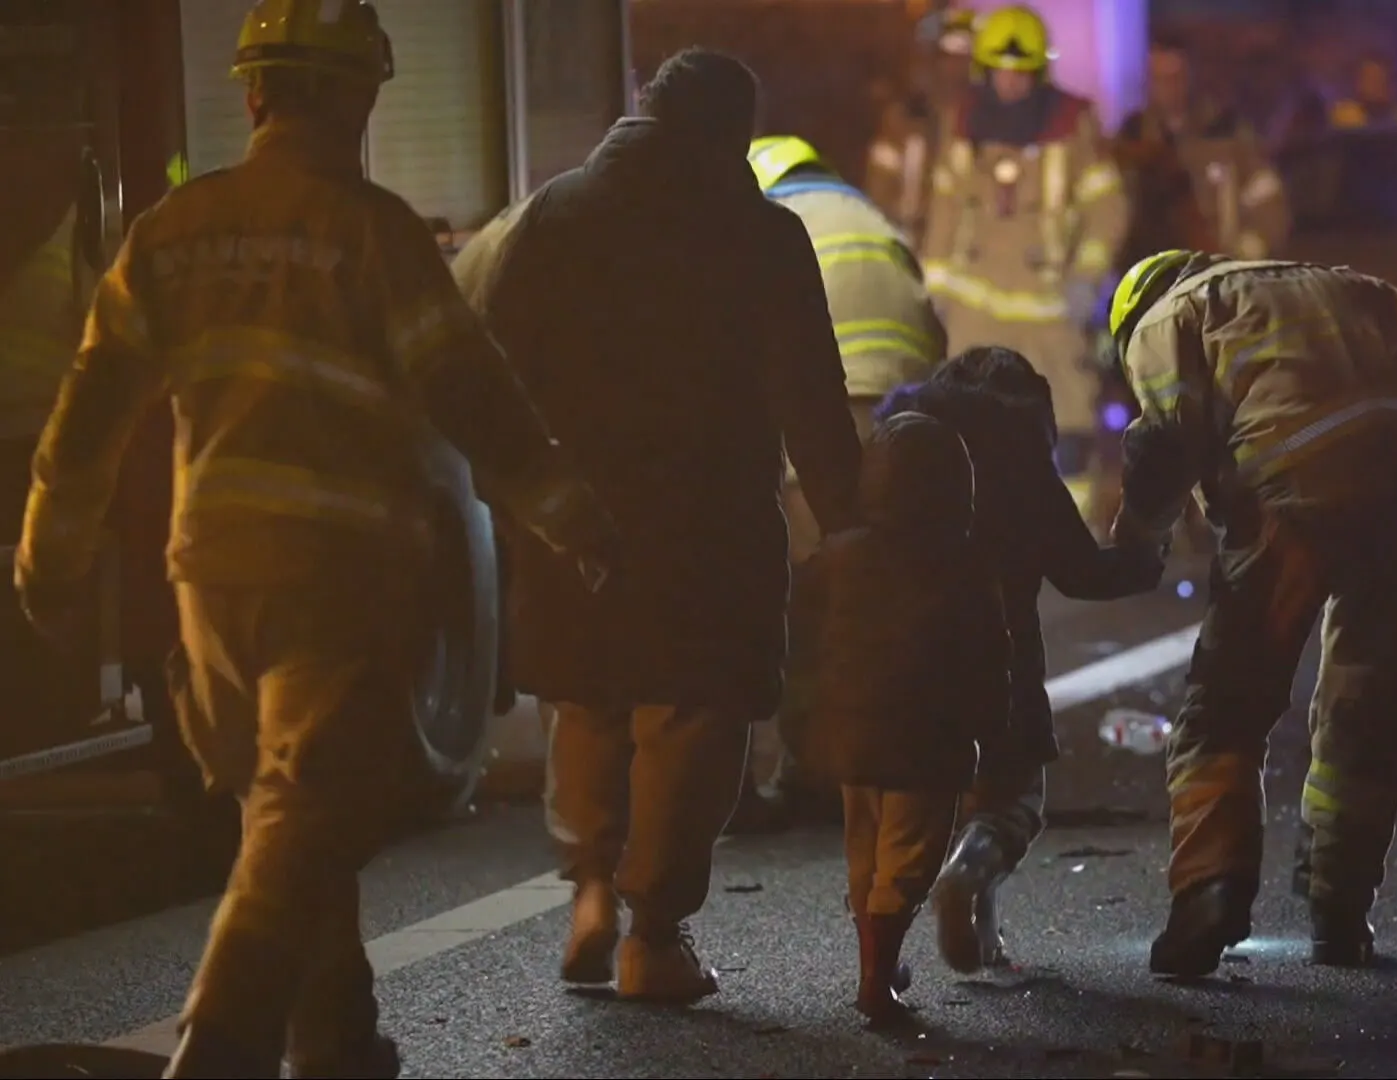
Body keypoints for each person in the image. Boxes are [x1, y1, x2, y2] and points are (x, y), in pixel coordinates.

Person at [12, 2, 618, 1075]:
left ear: (253, 93)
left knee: (286, 807)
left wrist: (46, 567)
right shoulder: (373, 233)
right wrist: (571, 517)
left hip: (209, 579)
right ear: (357, 96)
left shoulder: (169, 233)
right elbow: (472, 395)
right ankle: (220, 1046)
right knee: (304, 810)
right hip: (336, 579)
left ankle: (336, 1037)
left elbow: (85, 422)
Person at [454, 48, 865, 1004]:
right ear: (732, 133)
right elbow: (811, 394)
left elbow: (495, 367)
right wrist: (849, 521)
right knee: (692, 716)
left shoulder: (556, 213)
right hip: (709, 522)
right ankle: (655, 933)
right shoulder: (761, 233)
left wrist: (519, 496)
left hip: (577, 515)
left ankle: (591, 888)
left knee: (587, 700)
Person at [1103, 251, 1397, 979]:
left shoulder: (1168, 318)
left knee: (1227, 704)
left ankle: (1208, 895)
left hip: (1296, 487)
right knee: (1369, 705)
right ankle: (1341, 913)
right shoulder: (1359, 285)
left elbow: (1163, 441)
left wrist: (1137, 544)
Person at [877, 346, 1163, 972]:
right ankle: (968, 874)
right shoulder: (1020, 466)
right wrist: (1146, 550)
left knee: (921, 807)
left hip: (902, 667)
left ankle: (940, 945)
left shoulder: (901, 452)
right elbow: (1084, 573)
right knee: (1010, 801)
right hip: (1000, 666)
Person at [729, 134, 948, 833]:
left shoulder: (762, 224)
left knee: (808, 597)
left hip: (820, 411)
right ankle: (890, 761)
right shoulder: (871, 221)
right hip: (901, 416)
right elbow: (934, 333)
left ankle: (810, 770)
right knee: (879, 594)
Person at [806, 409, 1008, 1024]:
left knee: (864, 854)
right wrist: (991, 734)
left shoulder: (838, 556)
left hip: (853, 735)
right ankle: (877, 977)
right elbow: (990, 656)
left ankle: (876, 963)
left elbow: (801, 632)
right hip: (928, 743)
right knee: (907, 859)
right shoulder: (966, 564)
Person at [920, 3, 1129, 520]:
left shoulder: (1072, 126)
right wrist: (934, 291)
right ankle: (976, 531)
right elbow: (944, 209)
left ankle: (1072, 533)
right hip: (975, 309)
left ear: (1039, 72)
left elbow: (1108, 207)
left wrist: (1086, 278)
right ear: (984, 70)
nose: (1011, 83)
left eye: (1022, 72)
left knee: (1068, 425)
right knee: (966, 424)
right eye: (1001, 71)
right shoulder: (962, 124)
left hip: (1051, 310)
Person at [1116, 30, 1289, 262]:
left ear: (1190, 77)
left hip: (1215, 264)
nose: (1167, 87)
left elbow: (1266, 193)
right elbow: (1114, 204)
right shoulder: (1132, 135)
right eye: (1157, 79)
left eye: (1175, 77)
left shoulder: (1225, 131)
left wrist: (1252, 247)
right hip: (1153, 268)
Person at [865, 6, 976, 247]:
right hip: (909, 244)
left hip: (964, 251)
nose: (954, 69)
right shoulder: (904, 121)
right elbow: (881, 185)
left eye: (963, 60)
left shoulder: (984, 124)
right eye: (947, 58)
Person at [1330, 56, 1397, 128]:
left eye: (1383, 80)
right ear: (1357, 83)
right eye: (1372, 79)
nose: (1378, 86)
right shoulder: (1343, 116)